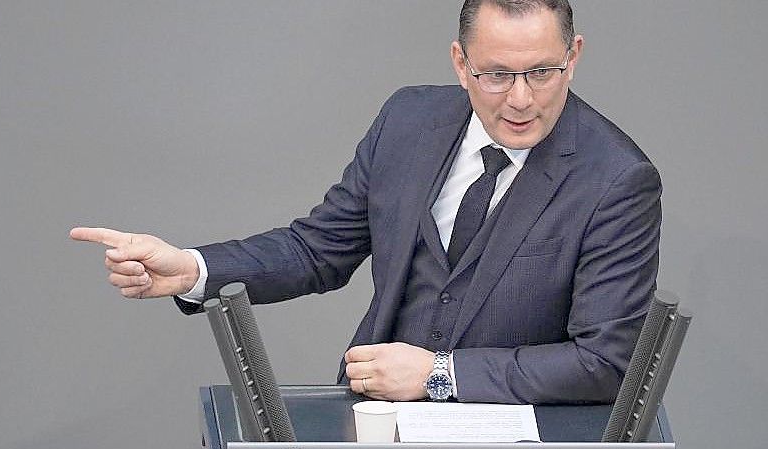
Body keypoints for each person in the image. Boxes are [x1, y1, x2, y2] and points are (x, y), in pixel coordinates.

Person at [71, 0, 661, 405]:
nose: (522, 99)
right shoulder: (408, 120)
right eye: (497, 75)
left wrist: (437, 376)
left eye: (542, 72)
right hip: (373, 419)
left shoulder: (617, 179)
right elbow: (318, 250)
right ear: (461, 63)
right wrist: (195, 269)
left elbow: (606, 363)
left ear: (574, 55)